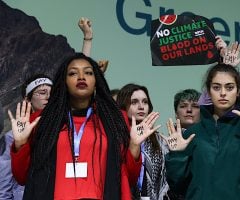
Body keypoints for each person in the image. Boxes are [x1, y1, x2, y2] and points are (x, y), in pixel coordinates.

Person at [8, 53, 160, 200]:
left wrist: (134, 146)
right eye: (73, 73)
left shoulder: (115, 119)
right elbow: (22, 178)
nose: (81, 77)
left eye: (88, 72)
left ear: (96, 81)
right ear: (64, 82)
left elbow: (129, 180)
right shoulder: (41, 120)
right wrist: (21, 144)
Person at [162, 63, 240, 200]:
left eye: (229, 87)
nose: (223, 93)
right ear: (208, 92)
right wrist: (177, 155)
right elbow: (177, 184)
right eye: (216, 87)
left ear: (238, 91)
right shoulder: (191, 134)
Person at [0, 74, 52, 200]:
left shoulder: (64, 128)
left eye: (52, 92)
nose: (48, 97)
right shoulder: (12, 137)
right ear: (27, 100)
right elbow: (4, 184)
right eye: (42, 92)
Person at [116, 83, 168, 200]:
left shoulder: (159, 140)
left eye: (145, 102)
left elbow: (165, 180)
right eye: (134, 102)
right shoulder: (116, 138)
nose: (141, 106)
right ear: (123, 105)